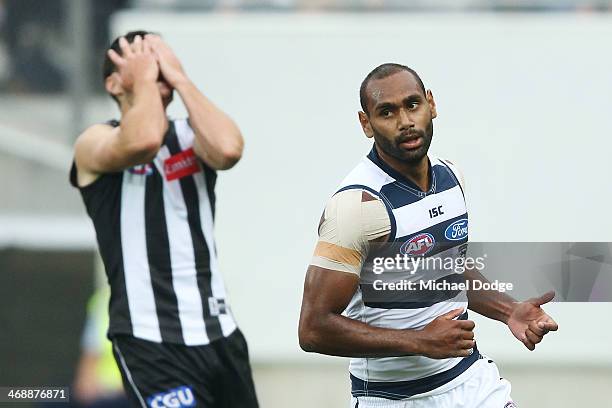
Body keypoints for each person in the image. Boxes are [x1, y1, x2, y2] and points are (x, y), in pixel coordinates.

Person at [298, 63, 558, 407]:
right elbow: (314, 329)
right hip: (393, 398)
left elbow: (447, 271)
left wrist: (508, 310)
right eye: (387, 112)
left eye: (412, 105)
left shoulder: (451, 176)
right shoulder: (356, 206)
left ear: (431, 104)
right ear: (366, 123)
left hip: (471, 383)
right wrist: (419, 341)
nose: (405, 121)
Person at [70, 30, 258, 408]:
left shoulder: (190, 136)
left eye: (162, 65)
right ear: (112, 82)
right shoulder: (95, 141)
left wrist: (182, 80)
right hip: (151, 342)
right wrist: (144, 84)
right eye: (144, 65)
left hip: (219, 334)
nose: (158, 73)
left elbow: (228, 149)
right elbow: (142, 141)